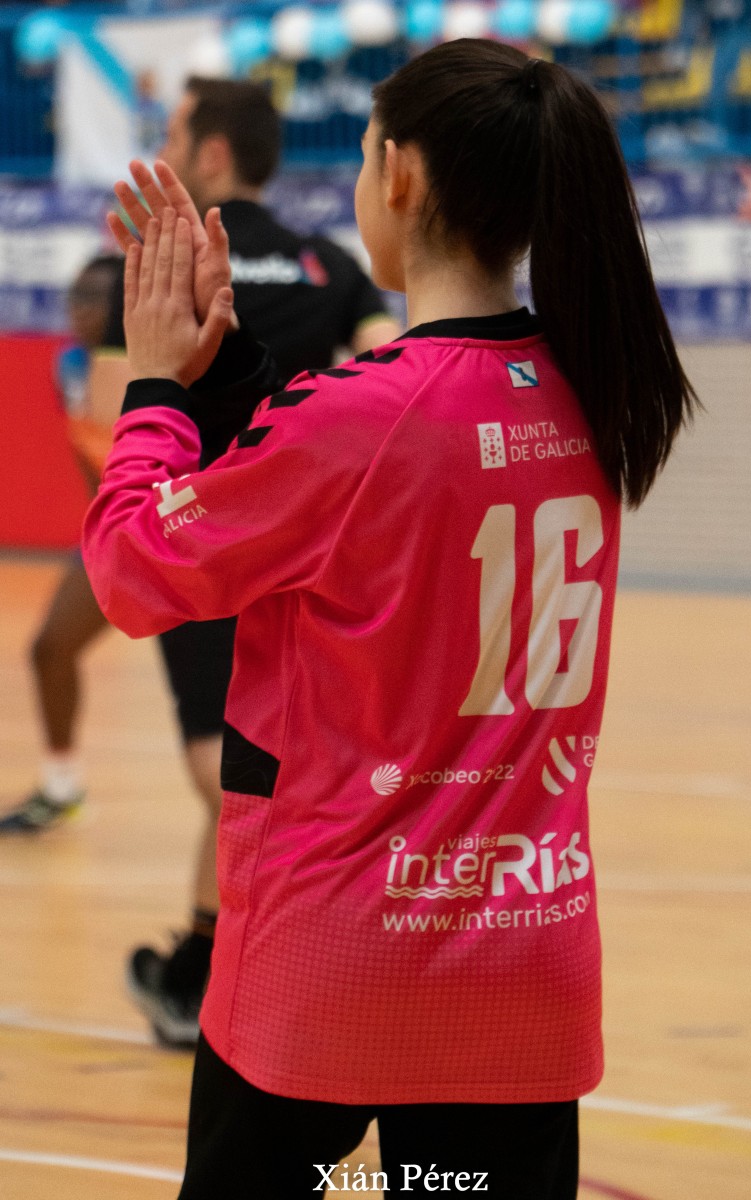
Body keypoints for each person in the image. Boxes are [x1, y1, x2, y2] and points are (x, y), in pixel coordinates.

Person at [85, 39, 697, 1200]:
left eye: (366, 156)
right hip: (526, 964)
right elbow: (380, 475)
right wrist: (232, 374)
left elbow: (130, 570)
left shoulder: (359, 419)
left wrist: (158, 388)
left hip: (331, 964)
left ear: (399, 174)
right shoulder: (590, 385)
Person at [107, 76, 400, 1047]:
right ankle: (204, 969)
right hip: (309, 551)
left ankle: (225, 974)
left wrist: (137, 496)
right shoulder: (330, 263)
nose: (165, 148)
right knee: (266, 759)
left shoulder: (163, 268)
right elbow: (389, 367)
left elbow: (114, 409)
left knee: (228, 771)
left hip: (196, 536)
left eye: (174, 133)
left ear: (212, 153)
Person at [0, 255, 127, 835]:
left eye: (95, 297)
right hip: (117, 537)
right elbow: (86, 451)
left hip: (183, 536)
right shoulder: (69, 364)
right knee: (51, 648)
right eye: (76, 297)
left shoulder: (160, 364)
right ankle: (60, 787)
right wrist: (101, 529)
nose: (80, 310)